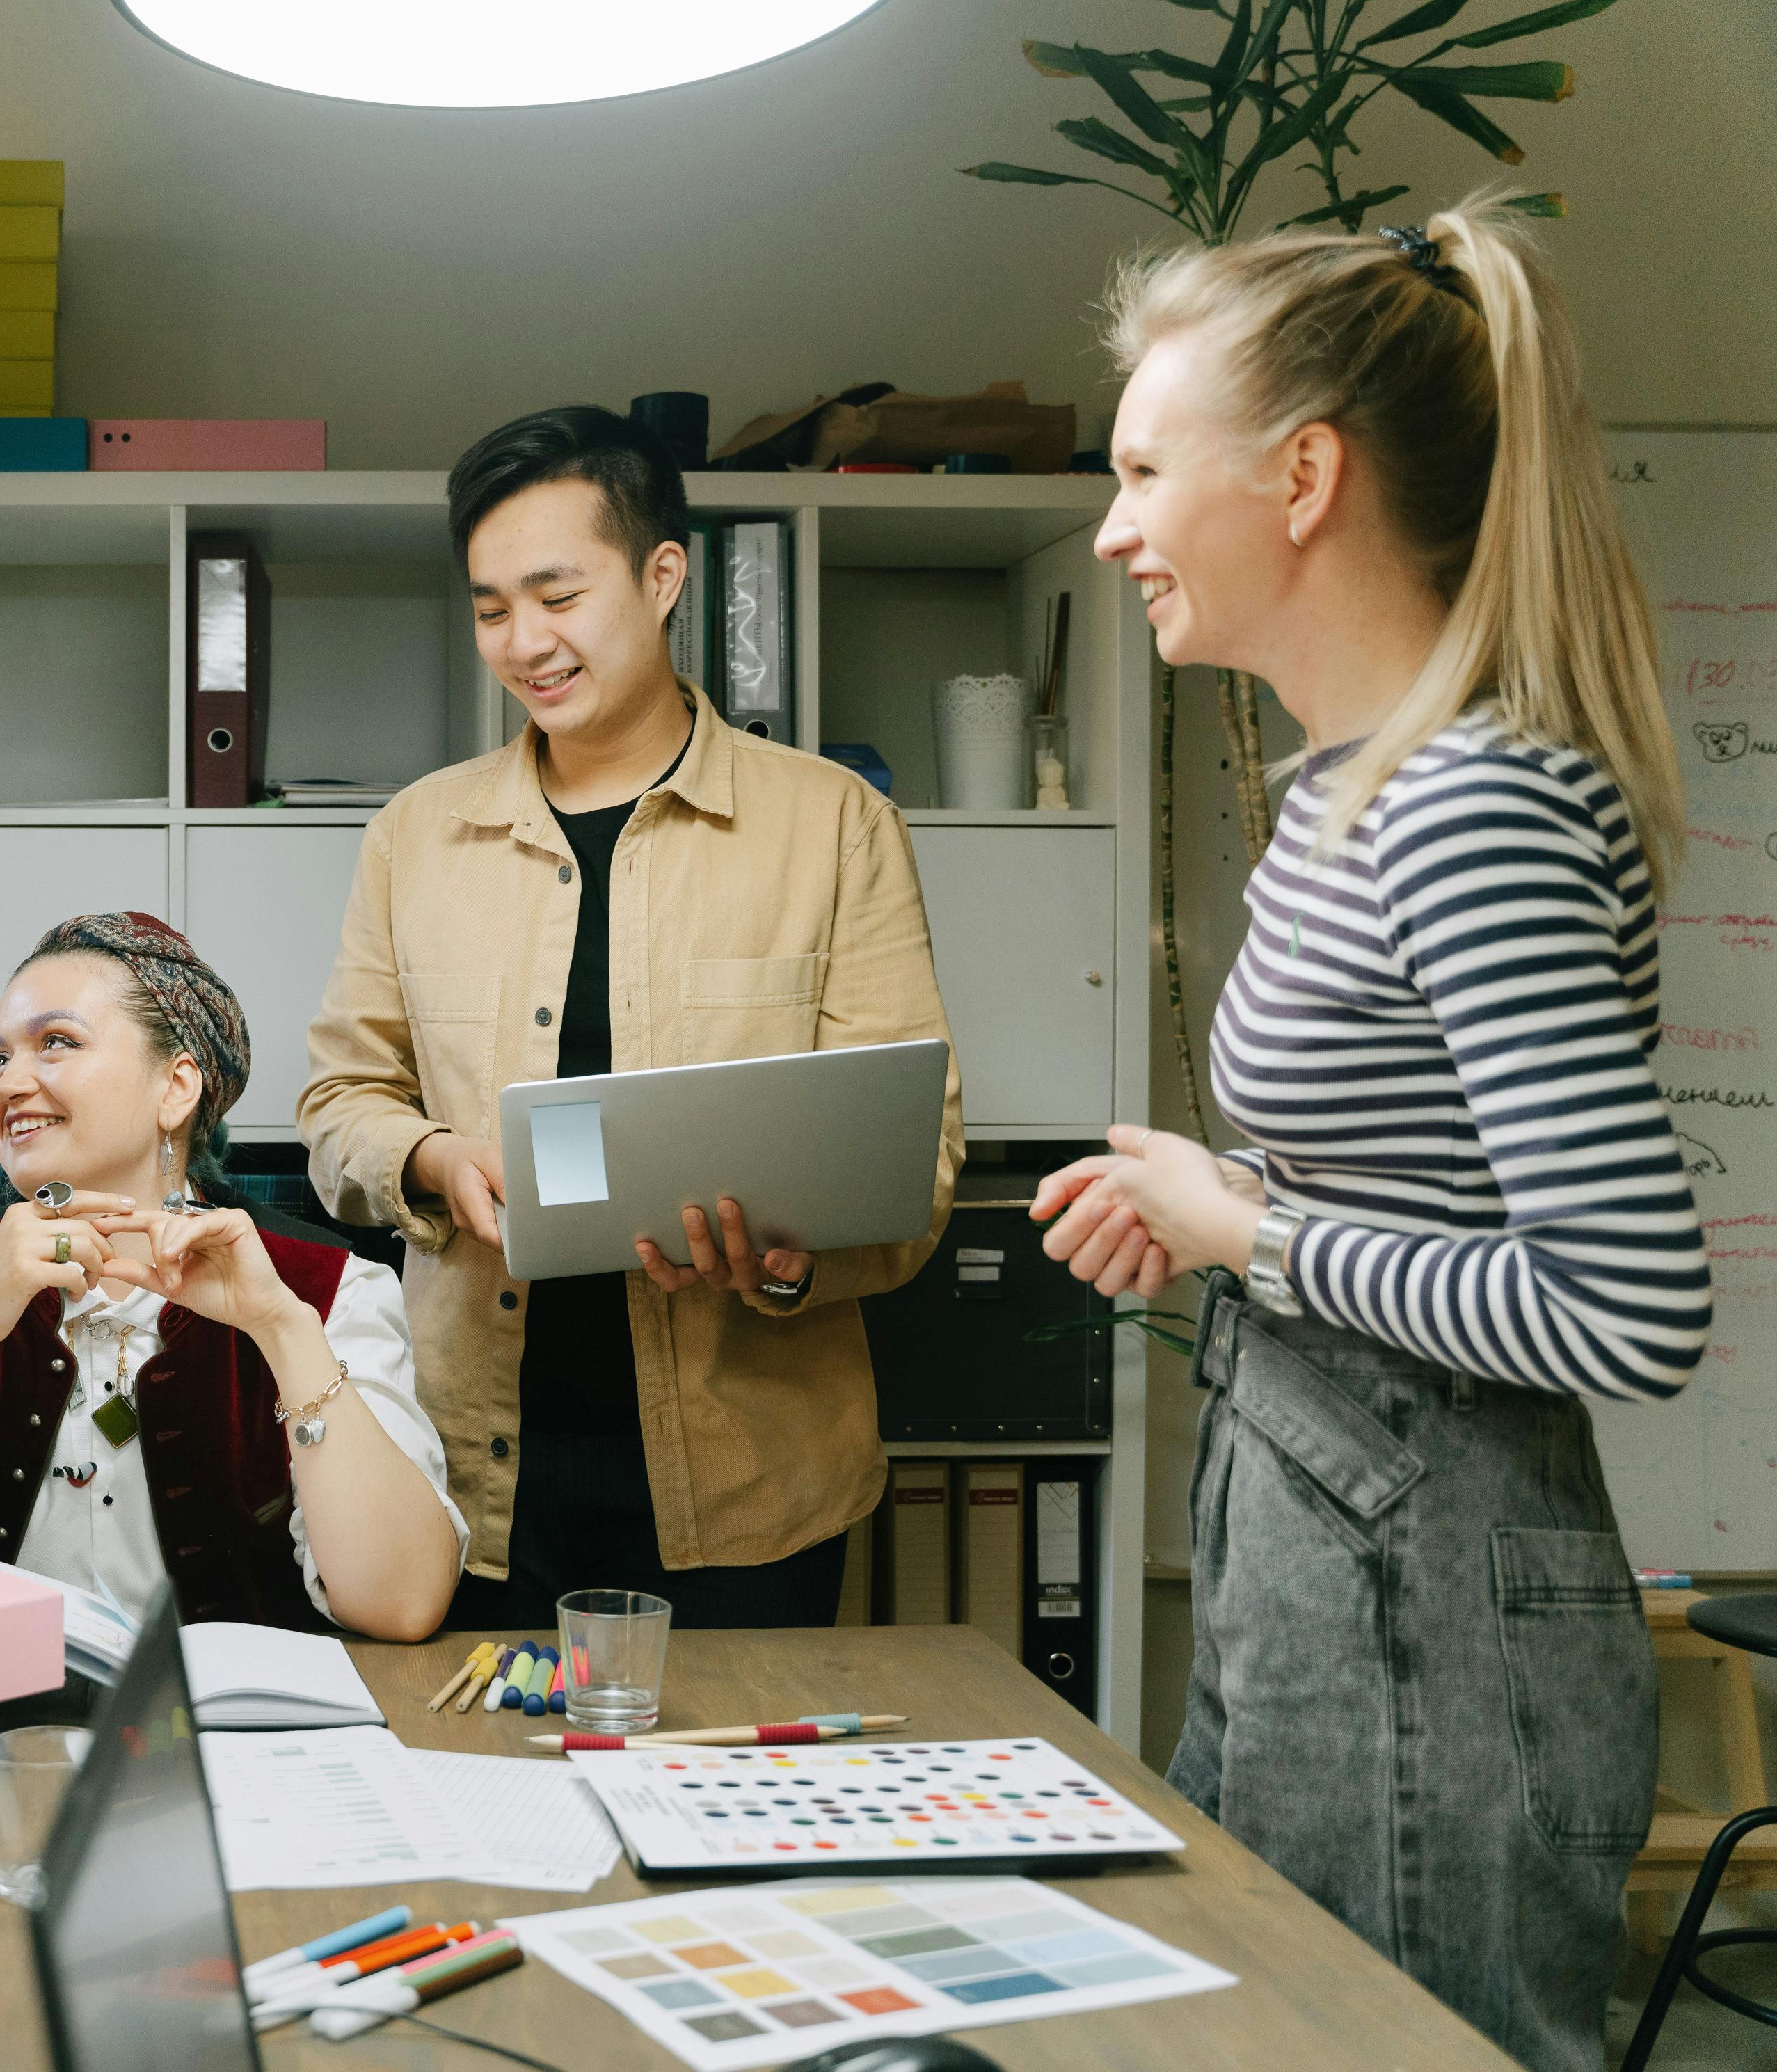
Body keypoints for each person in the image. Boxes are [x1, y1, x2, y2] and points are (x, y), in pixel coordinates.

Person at [1031, 198, 1705, 2072]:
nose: (1110, 528)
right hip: (1320, 1542)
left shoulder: (1463, 803)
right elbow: (1438, 1193)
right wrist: (1224, 1205)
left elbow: (1625, 1306)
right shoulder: (1353, 790)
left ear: (1300, 474)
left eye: (1144, 469)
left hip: (1430, 1596)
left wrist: (1248, 1234)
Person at [298, 406, 961, 1632]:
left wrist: (783, 1256)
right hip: (468, 1473)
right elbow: (338, 1106)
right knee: (482, 1813)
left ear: (663, 577)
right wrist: (433, 1159)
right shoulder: (414, 835)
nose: (522, 641)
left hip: (753, 1481)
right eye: (491, 606)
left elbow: (910, 1162)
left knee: (726, 1811)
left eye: (555, 594)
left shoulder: (830, 824)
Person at [0, 913, 464, 1641]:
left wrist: (283, 1330)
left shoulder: (331, 1289)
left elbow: (402, 1603)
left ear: (176, 1086)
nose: (10, 1083)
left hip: (233, 1744)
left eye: (56, 1043)